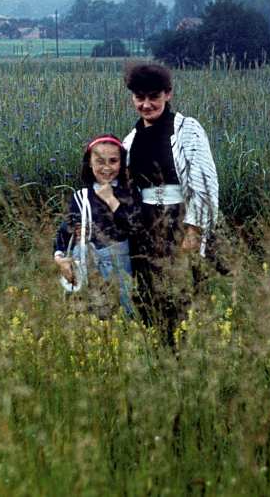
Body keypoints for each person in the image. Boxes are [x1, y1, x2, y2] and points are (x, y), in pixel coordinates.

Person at [122, 63, 219, 338]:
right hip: (145, 226)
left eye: (153, 96)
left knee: (182, 294)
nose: (146, 104)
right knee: (149, 295)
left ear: (168, 94)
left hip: (180, 221)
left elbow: (204, 182)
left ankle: (185, 356)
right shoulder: (130, 140)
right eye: (140, 98)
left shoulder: (187, 130)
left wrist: (194, 231)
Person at [54, 135, 141, 318]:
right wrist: (60, 259)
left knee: (121, 314)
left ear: (122, 163)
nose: (107, 168)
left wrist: (110, 199)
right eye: (100, 161)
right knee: (89, 313)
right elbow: (64, 232)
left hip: (119, 266)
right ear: (90, 163)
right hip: (87, 264)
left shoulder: (129, 193)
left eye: (113, 161)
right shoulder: (81, 197)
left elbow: (134, 227)